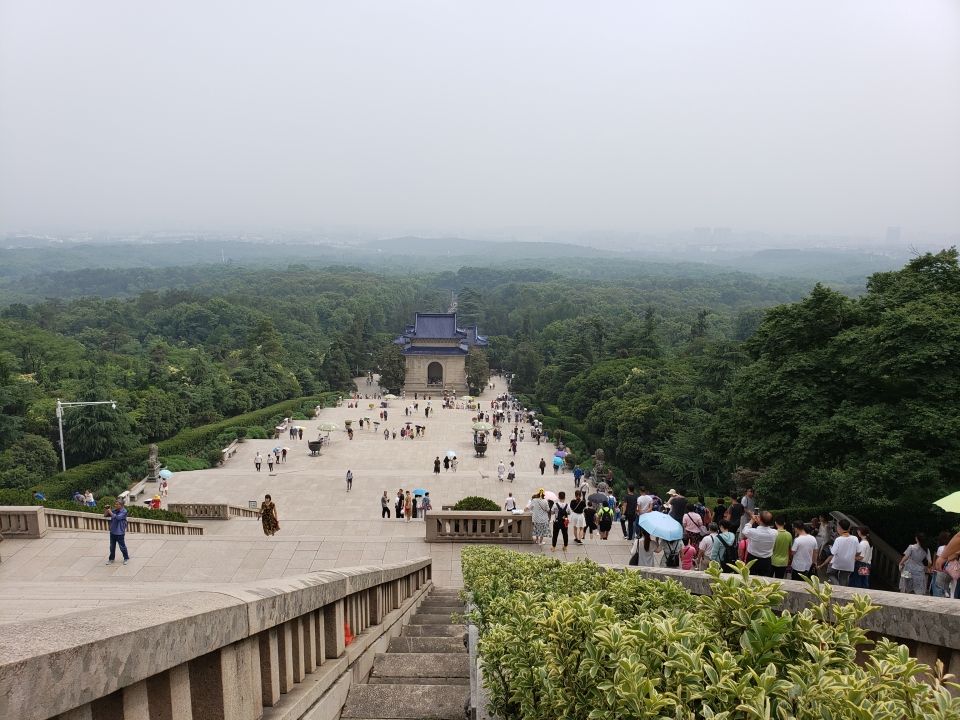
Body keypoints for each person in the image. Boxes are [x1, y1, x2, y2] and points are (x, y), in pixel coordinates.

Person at [821, 518, 859, 586]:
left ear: (840, 528)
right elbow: (858, 551)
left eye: (837, 527)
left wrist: (831, 547)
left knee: (829, 573)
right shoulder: (855, 538)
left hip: (838, 563)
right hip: (849, 563)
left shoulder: (838, 539)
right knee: (843, 578)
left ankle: (837, 586)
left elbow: (833, 552)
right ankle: (842, 591)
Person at [741, 510, 778, 576]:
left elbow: (744, 530)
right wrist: (759, 521)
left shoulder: (754, 532)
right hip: (766, 560)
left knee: (750, 578)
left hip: (752, 559)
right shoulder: (774, 533)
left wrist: (752, 520)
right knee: (764, 580)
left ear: (760, 520)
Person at [103, 500, 130, 565]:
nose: (116, 505)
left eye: (117, 504)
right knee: (112, 546)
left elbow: (118, 517)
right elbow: (105, 515)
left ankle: (126, 558)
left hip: (120, 532)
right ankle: (111, 559)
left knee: (122, 547)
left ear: (121, 505)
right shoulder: (114, 510)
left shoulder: (124, 511)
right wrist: (107, 510)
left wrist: (111, 512)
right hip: (113, 531)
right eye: (115, 504)